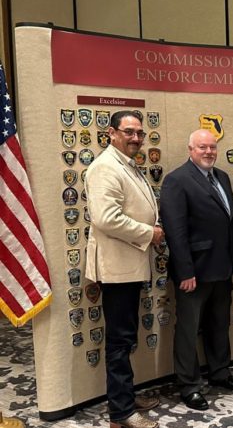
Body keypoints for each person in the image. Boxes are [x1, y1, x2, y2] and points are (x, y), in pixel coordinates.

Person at [85, 110, 164, 428]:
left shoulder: (126, 165)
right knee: (119, 342)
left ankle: (125, 396)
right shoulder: (104, 167)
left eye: (139, 133)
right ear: (112, 133)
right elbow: (106, 219)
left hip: (129, 265)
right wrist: (151, 233)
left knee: (126, 338)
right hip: (117, 269)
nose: (135, 138)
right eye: (129, 131)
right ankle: (121, 414)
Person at [160, 129, 233, 411]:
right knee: (188, 329)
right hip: (194, 272)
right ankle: (189, 385)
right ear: (190, 149)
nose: (208, 152)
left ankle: (220, 373)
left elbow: (230, 224)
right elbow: (175, 230)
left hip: (221, 268)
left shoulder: (222, 177)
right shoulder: (176, 180)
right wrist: (185, 272)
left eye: (212, 147)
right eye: (202, 147)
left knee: (219, 324)